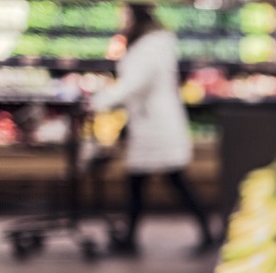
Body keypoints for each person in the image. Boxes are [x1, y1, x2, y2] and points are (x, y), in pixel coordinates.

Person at [91, 0, 214, 256]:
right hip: (151, 122)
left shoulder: (150, 47)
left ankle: (204, 233)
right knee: (141, 181)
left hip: (156, 124)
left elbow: (135, 84)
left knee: (172, 180)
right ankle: (132, 238)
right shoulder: (155, 43)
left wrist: (101, 100)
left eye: (125, 15)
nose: (122, 21)